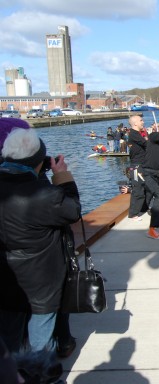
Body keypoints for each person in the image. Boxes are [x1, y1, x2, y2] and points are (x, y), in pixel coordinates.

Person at [0, 128, 81, 353]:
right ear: (38, 161)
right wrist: (62, 177)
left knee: (8, 334)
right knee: (40, 338)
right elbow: (72, 210)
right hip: (41, 278)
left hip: (6, 276)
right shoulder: (46, 195)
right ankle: (40, 372)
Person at [127, 115, 148, 221]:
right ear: (135, 123)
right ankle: (133, 214)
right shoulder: (134, 134)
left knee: (144, 188)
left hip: (142, 164)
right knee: (138, 190)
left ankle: (143, 208)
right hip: (136, 166)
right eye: (141, 120)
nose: (143, 122)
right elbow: (146, 143)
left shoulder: (137, 134)